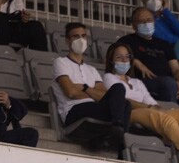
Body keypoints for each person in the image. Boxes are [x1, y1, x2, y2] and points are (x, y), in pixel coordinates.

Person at [103, 42, 179, 163]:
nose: (124, 60)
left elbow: (151, 102)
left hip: (149, 112)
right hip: (129, 112)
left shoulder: (136, 82)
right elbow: (121, 99)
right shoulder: (109, 77)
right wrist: (149, 107)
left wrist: (157, 108)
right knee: (159, 116)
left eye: (127, 57)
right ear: (111, 61)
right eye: (119, 57)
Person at [52, 22, 131, 151]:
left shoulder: (92, 70)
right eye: (75, 36)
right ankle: (119, 141)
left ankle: (116, 131)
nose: (80, 40)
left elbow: (104, 96)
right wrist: (92, 91)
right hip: (73, 110)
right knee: (121, 105)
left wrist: (84, 88)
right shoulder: (60, 62)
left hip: (93, 107)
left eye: (83, 36)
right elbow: (70, 92)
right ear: (67, 40)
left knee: (121, 94)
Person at [119, 7, 179, 107]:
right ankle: (172, 114)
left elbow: (176, 69)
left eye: (149, 20)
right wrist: (137, 63)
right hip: (142, 82)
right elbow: (118, 57)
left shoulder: (163, 44)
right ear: (133, 25)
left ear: (154, 22)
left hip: (168, 82)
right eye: (141, 21)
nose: (146, 23)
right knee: (168, 82)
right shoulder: (126, 41)